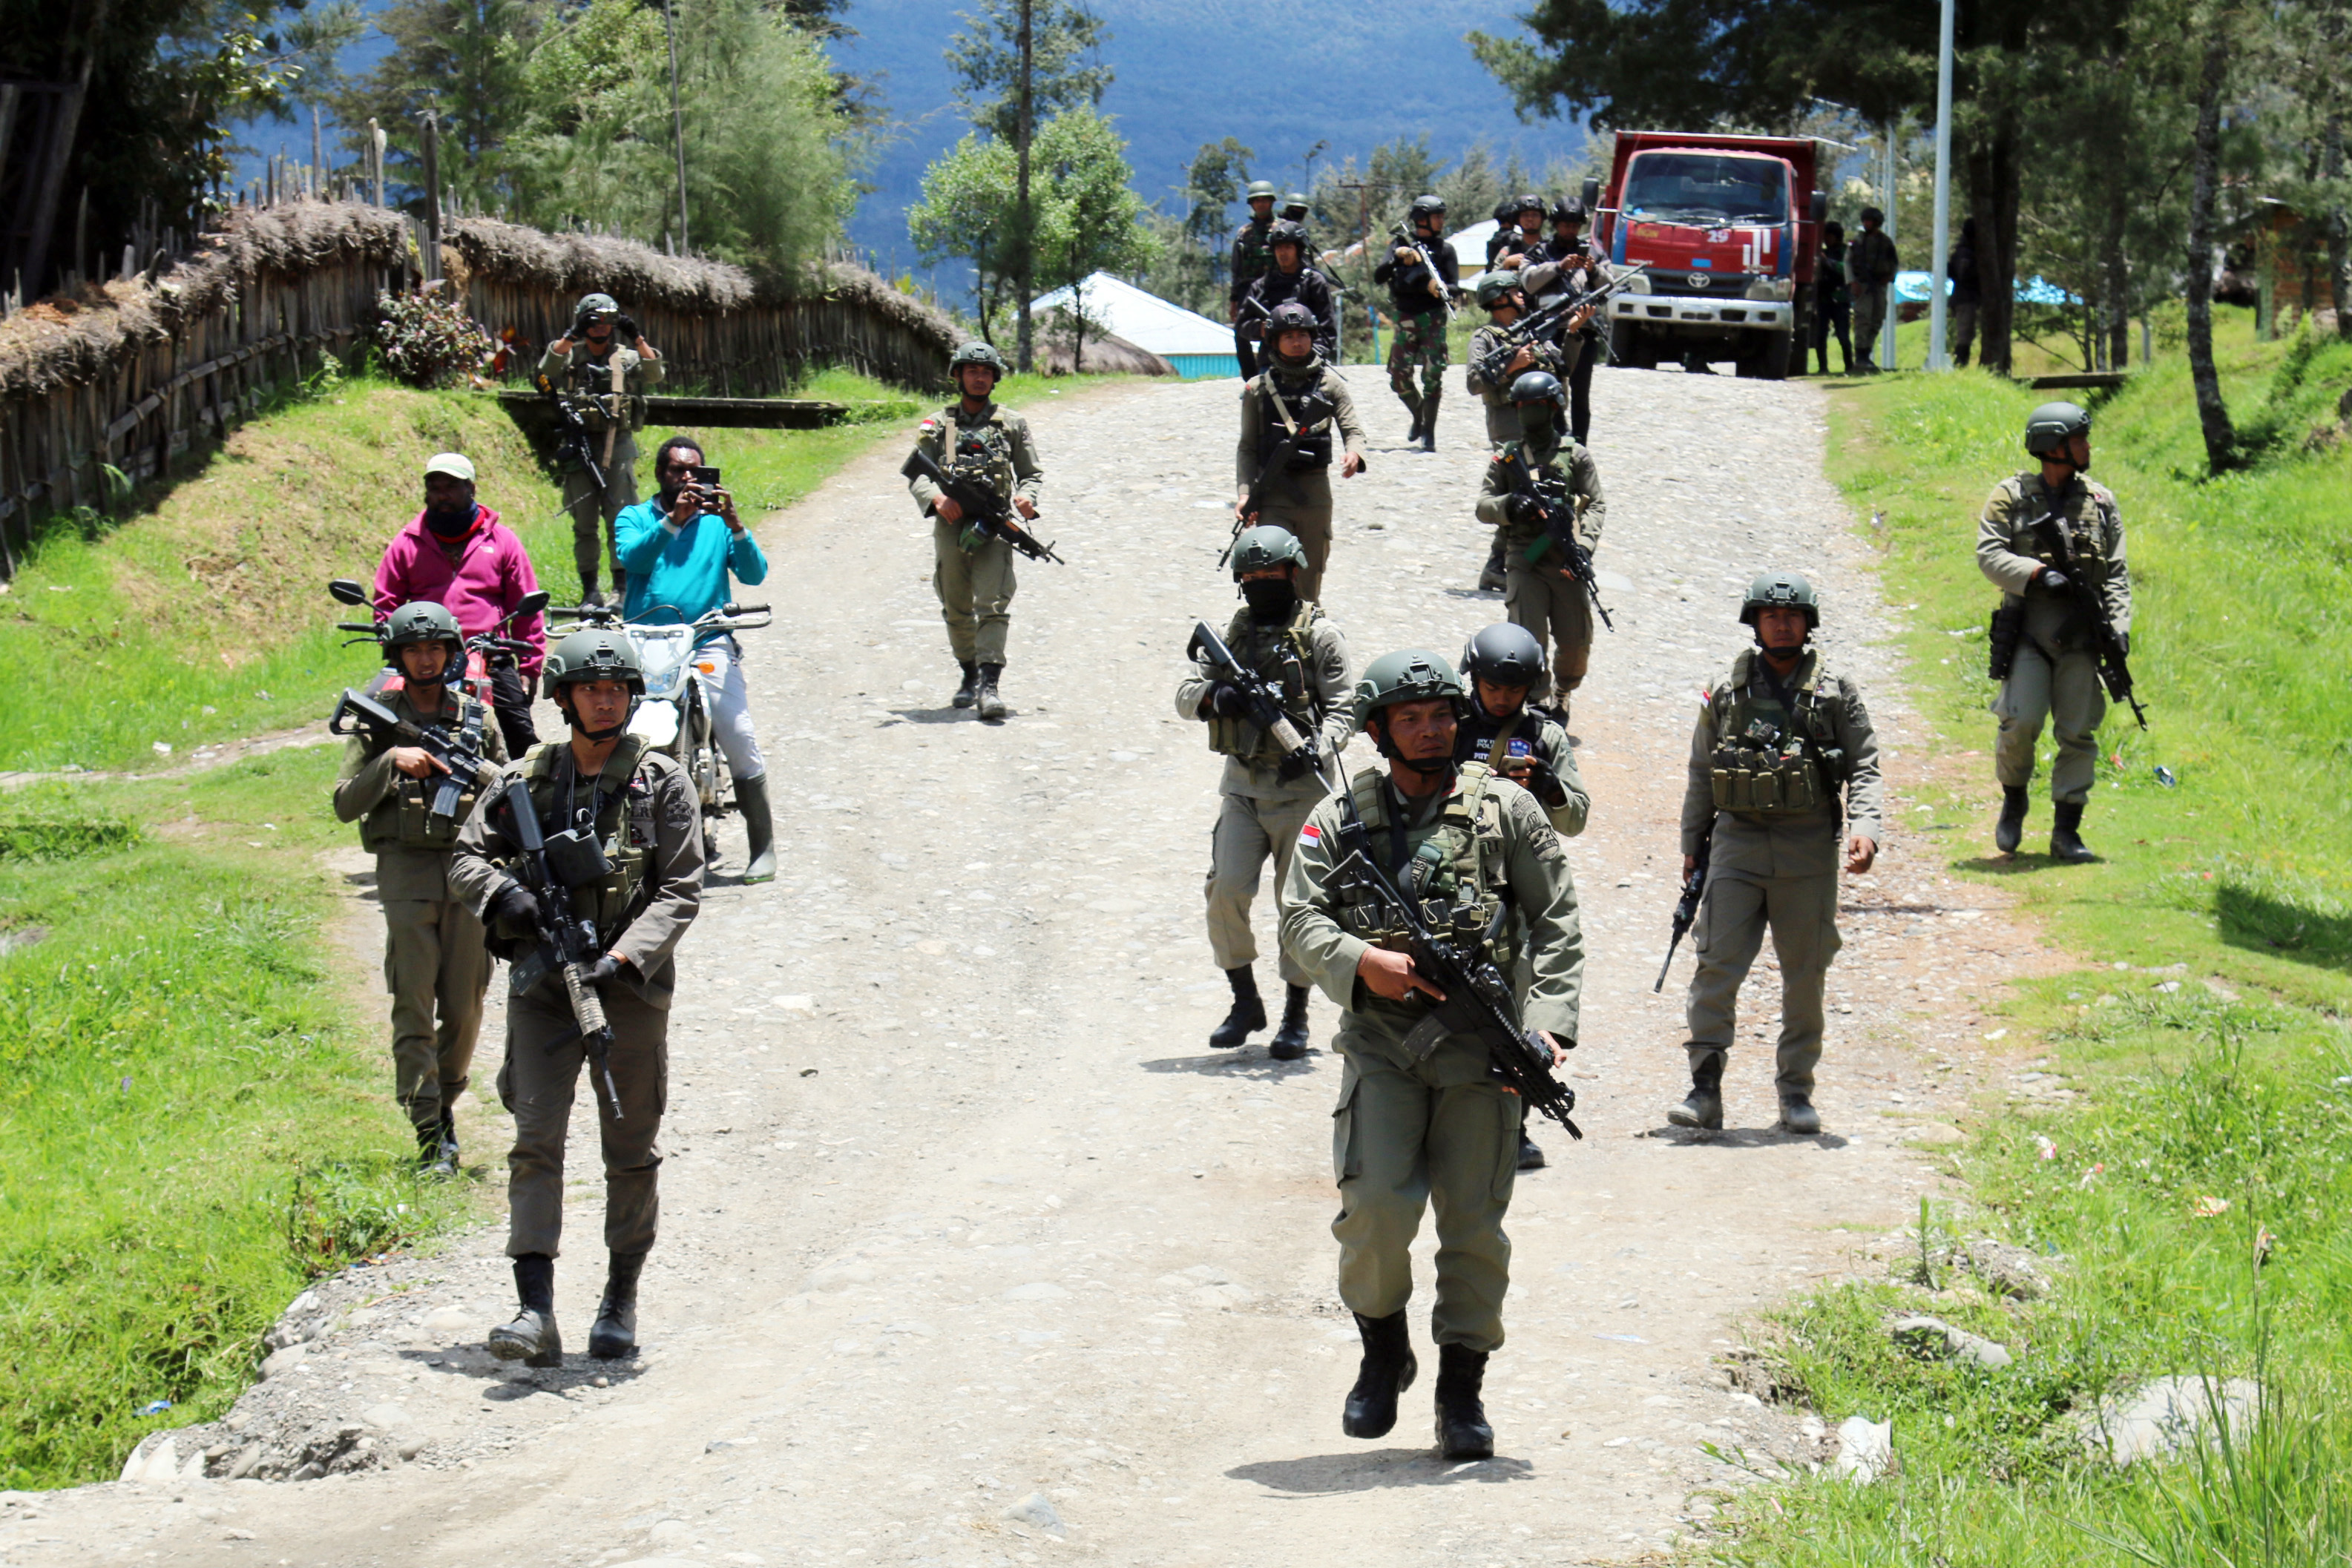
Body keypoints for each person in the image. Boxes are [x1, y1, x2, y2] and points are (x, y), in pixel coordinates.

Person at [1278, 650, 1584, 1460]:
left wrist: (1549, 1024)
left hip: (1481, 1055)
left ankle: (1461, 1387)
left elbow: (1555, 917)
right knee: (1374, 1207)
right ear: (1378, 729)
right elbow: (1299, 917)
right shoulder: (1338, 814)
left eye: (1441, 714)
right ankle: (1383, 1350)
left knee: (1474, 1227)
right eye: (1409, 718)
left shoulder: (1507, 810)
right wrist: (1359, 962)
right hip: (1383, 1045)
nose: (1430, 729)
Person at [451, 629, 705, 1367]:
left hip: (625, 993)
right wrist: (507, 897)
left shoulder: (661, 783)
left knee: (629, 1145)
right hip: (540, 989)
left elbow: (681, 886)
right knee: (535, 1143)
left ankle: (619, 1295)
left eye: (618, 689)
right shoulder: (522, 781)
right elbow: (466, 857)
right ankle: (534, 1308)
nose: (605, 699)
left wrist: (623, 958)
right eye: (591, 689)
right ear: (562, 697)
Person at [1670, 574, 1882, 1135]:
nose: (1782, 623)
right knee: (1716, 965)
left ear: (1808, 624)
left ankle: (1795, 1092)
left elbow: (1864, 764)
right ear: (1755, 622)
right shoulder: (1726, 688)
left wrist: (1866, 827)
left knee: (1805, 975)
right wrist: (1693, 845)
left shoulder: (1837, 690)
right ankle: (1705, 1088)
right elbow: (1701, 770)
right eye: (1770, 615)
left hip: (1807, 848)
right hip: (1736, 844)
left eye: (1791, 616)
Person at [332, 601, 509, 1175]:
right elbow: (343, 803)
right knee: (413, 999)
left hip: (467, 870)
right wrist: (391, 760)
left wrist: (471, 773)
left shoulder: (477, 718)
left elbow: (511, 791)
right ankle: (428, 1127)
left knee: (465, 1005)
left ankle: (447, 1099)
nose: (426, 658)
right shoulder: (375, 720)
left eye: (436, 648)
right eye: (414, 649)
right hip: (405, 871)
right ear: (397, 656)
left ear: (452, 653)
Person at [1176, 525, 1356, 1060]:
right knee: (1226, 889)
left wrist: (1318, 749)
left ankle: (1295, 1016)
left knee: (1295, 905)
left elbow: (1346, 708)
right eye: (1249, 578)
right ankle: (1245, 1000)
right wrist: (1217, 695)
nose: (1259, 585)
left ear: (1293, 573)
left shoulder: (1322, 636)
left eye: (1269, 575)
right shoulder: (1233, 635)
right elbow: (1186, 695)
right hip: (1242, 789)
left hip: (1301, 793)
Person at [1453, 621, 1591, 1173]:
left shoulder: (1545, 736)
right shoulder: (1451, 726)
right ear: (1474, 679)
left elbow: (1576, 816)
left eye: (1514, 687)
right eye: (1493, 685)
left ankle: (1517, 1129)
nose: (1503, 696)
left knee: (1515, 1000)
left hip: (1519, 882)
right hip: (1457, 871)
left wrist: (1547, 786)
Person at [615, 435, 775, 883]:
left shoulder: (718, 524)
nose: (687, 478)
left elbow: (754, 573)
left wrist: (736, 525)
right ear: (659, 475)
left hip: (707, 638)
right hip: (645, 640)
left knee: (737, 729)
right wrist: (672, 521)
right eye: (676, 470)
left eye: (695, 472)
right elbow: (631, 558)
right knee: (617, 730)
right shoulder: (634, 517)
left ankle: (763, 846)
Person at [1977, 401, 2130, 863]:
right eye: (2079, 439)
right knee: (2020, 722)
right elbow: (1989, 554)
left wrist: (2119, 626)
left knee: (2078, 732)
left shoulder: (2101, 502)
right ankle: (2014, 797)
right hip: (2029, 631)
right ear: (2054, 447)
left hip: (2083, 636)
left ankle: (2067, 831)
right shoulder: (2010, 496)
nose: (2087, 446)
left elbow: (2118, 572)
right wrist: (2038, 575)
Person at [373, 451, 547, 760]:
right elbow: (387, 601)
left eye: (451, 487)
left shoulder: (502, 540)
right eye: (436, 488)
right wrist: (391, 638)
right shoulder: (407, 543)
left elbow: (526, 607)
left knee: (520, 734)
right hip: (425, 651)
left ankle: (531, 800)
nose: (443, 496)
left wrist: (530, 667)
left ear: (472, 489)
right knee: (373, 713)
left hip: (489, 654)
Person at [906, 341, 1046, 722]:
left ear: (995, 378)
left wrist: (1026, 499)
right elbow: (917, 473)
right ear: (958, 376)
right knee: (955, 605)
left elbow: (1032, 474)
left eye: (986, 372)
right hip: (951, 525)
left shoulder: (1012, 423)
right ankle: (968, 671)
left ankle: (989, 684)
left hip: (994, 526)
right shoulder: (938, 425)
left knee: (994, 603)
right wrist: (936, 499)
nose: (979, 378)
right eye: (971, 371)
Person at [1472, 370, 1607, 719]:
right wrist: (1510, 506)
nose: (1528, 413)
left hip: (1565, 557)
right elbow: (1483, 505)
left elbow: (1595, 503)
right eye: (1522, 407)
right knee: (1529, 640)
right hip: (1524, 559)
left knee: (1576, 642)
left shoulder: (1574, 455)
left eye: (1536, 406)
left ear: (1552, 407)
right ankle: (1536, 703)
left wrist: (1586, 545)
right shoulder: (1507, 458)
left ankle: (1564, 691)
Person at [1233, 301, 1367, 604]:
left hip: (1314, 492)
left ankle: (1310, 630)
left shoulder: (1330, 386)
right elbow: (1247, 447)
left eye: (1303, 335)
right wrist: (1245, 493)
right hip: (1273, 493)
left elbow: (1353, 430)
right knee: (1271, 567)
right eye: (1289, 336)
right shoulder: (1258, 389)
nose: (1297, 342)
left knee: (1310, 573)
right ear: (1275, 342)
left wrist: (1354, 454)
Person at [541, 292, 666, 606]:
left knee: (620, 518)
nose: (600, 328)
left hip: (618, 446)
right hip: (579, 447)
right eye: (593, 322)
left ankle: (622, 590)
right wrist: (572, 335)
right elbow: (545, 369)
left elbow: (655, 373)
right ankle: (590, 590)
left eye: (607, 322)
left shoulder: (626, 357)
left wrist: (636, 335)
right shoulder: (572, 354)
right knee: (584, 524)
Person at [1465, 271, 1568, 592]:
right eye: (1514, 291)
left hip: (1545, 423)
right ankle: (1503, 565)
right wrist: (1512, 366)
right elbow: (1473, 382)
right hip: (1509, 425)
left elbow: (1564, 367)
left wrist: (1574, 334)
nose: (1522, 295)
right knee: (1524, 496)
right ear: (1499, 299)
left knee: (1550, 496)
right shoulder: (1485, 337)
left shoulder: (1530, 330)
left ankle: (1527, 560)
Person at [1372, 194, 1459, 451]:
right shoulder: (1401, 243)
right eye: (1437, 216)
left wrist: (1437, 287)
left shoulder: (1445, 250)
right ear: (1422, 219)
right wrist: (1398, 256)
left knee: (1433, 374)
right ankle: (1419, 415)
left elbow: (1455, 286)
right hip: (1406, 317)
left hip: (1433, 319)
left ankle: (1428, 433)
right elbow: (1379, 275)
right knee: (1399, 377)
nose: (1442, 221)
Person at [1540, 197, 1609, 445]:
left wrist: (1594, 271)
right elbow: (1528, 281)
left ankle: (1580, 446)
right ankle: (1558, 437)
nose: (1570, 229)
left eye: (1574, 225)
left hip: (1584, 332)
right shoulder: (1542, 251)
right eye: (1565, 224)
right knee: (1550, 388)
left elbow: (1611, 285)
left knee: (1581, 394)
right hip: (1549, 332)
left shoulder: (1594, 252)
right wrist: (1557, 267)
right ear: (1556, 224)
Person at [1243, 221, 1339, 364]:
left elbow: (1328, 328)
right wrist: (1260, 328)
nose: (1283, 253)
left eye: (1288, 247)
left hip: (1310, 362)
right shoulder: (1262, 286)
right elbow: (1242, 325)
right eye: (1279, 248)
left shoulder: (1314, 282)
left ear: (1298, 250)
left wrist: (1314, 354)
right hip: (1271, 363)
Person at [1229, 180, 1281, 380]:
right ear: (1252, 204)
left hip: (1274, 290)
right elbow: (1236, 267)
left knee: (1273, 331)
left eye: (1264, 200)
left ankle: (1271, 373)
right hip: (1247, 292)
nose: (1260, 205)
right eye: (1257, 201)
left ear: (1271, 202)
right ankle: (1251, 379)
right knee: (1241, 335)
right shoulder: (1244, 234)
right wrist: (1234, 298)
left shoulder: (1281, 230)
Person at [1847, 208, 1899, 375]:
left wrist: (1890, 276)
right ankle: (1860, 356)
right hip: (1863, 285)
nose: (1866, 224)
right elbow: (1848, 262)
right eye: (1865, 220)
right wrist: (1852, 282)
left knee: (1877, 319)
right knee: (1863, 319)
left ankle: (1866, 354)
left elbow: (1894, 262)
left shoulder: (1886, 242)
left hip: (1879, 285)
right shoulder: (1857, 241)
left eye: (1869, 220)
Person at [1813, 221, 1853, 377]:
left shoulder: (1846, 252)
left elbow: (1845, 269)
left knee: (1843, 336)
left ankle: (1849, 367)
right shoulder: (1823, 252)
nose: (1826, 239)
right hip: (1824, 299)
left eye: (1829, 236)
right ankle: (1822, 367)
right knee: (1821, 335)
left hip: (1840, 299)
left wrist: (1827, 262)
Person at [1947, 217, 1981, 369]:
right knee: (1965, 333)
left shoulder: (1966, 250)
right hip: (1965, 298)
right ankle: (1961, 363)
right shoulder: (1965, 252)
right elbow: (1964, 274)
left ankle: (1961, 362)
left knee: (1968, 332)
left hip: (1967, 297)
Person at [1485, 193, 1546, 271]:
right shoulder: (1508, 251)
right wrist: (1506, 264)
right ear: (1518, 220)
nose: (1530, 219)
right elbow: (1492, 280)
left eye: (1535, 215)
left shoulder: (1553, 249)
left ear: (1542, 219)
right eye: (1525, 215)